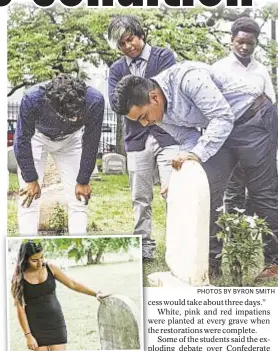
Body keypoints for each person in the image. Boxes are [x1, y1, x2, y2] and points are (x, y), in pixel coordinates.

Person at [112, 61, 278, 280]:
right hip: (220, 130)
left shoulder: (188, 78)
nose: (145, 123)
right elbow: (188, 138)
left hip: (253, 117)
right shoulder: (157, 112)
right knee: (206, 191)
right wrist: (182, 178)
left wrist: (197, 154)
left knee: (261, 192)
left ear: (154, 97)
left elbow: (223, 117)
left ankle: (275, 261)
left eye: (143, 116)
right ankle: (210, 264)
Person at [108, 15, 179, 261]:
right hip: (136, 139)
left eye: (131, 39)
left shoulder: (164, 57)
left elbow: (164, 93)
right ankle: (144, 247)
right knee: (140, 197)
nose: (128, 47)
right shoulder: (116, 69)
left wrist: (136, 95)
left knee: (174, 192)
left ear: (141, 34)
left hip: (168, 135)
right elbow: (118, 104)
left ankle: (177, 246)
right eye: (122, 45)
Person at [14, 73, 104, 236]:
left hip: (71, 140)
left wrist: (83, 180)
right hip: (37, 137)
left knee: (79, 198)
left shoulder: (95, 101)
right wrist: (30, 179)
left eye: (77, 113)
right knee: (28, 197)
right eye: (68, 114)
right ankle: (27, 250)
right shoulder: (33, 98)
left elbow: (91, 140)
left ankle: (79, 244)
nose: (74, 118)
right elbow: (22, 139)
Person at [213, 17, 277, 214]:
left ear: (256, 43)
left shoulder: (261, 70)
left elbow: (271, 104)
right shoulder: (218, 69)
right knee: (233, 189)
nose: (244, 47)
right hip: (229, 136)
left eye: (250, 43)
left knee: (263, 192)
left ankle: (268, 241)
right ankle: (235, 239)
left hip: (257, 137)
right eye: (240, 42)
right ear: (232, 40)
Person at [11, 240, 107, 351]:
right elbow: (19, 308)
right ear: (25, 259)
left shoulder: (51, 268)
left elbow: (73, 284)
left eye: (42, 257)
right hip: (35, 326)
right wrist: (28, 335)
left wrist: (95, 293)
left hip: (55, 322)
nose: (40, 263)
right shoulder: (18, 278)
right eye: (34, 260)